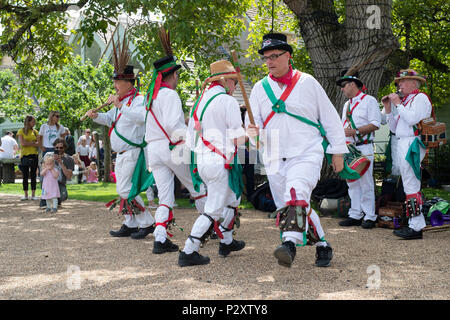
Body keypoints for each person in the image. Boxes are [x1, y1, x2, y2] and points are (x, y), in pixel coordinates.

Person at [246, 33, 348, 268]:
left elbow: (330, 118)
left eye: (274, 56)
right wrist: (252, 133)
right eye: (266, 57)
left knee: (296, 194)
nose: (269, 61)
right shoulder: (259, 89)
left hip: (306, 152)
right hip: (273, 157)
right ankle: (323, 245)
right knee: (292, 205)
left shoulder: (308, 82)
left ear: (288, 55)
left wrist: (338, 151)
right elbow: (255, 128)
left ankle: (289, 245)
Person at [178, 59, 247, 267]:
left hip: (203, 161)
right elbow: (237, 138)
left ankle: (226, 241)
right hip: (219, 163)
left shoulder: (199, 102)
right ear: (224, 80)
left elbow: (190, 140)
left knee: (233, 198)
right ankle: (189, 250)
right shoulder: (228, 102)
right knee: (214, 209)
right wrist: (252, 133)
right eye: (233, 82)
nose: (235, 87)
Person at [144, 51, 208, 255]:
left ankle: (160, 238)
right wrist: (189, 134)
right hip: (172, 147)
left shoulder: (151, 98)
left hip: (153, 150)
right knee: (197, 187)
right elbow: (172, 125)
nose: (178, 80)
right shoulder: (170, 95)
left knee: (164, 197)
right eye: (177, 76)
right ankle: (215, 229)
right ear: (171, 75)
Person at [84, 59, 156, 239]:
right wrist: (96, 116)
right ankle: (130, 222)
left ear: (128, 83)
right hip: (122, 153)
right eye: (114, 82)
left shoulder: (138, 100)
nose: (115, 85)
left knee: (126, 190)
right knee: (122, 189)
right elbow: (109, 119)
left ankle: (147, 222)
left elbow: (141, 118)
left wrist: (119, 105)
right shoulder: (121, 102)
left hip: (133, 151)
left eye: (117, 82)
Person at [382, 69, 431, 240]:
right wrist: (388, 109)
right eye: (399, 82)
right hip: (403, 142)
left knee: (411, 184)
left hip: (413, 143)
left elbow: (412, 120)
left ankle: (416, 226)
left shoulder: (420, 98)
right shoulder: (408, 100)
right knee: (409, 184)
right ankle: (414, 223)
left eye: (402, 82)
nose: (399, 85)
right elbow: (395, 128)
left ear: (412, 82)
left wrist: (397, 104)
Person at [337, 71, 381, 229]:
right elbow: (343, 126)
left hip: (364, 146)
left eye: (343, 85)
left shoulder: (370, 101)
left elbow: (376, 123)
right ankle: (355, 214)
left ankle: (370, 216)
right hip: (349, 148)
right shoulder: (346, 105)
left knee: (366, 182)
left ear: (352, 84)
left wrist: (354, 132)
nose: (342, 89)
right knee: (352, 182)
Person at [17, 116, 40, 201]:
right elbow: (22, 143)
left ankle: (33, 195)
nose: (34, 123)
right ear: (28, 122)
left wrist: (29, 143)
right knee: (25, 176)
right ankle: (26, 195)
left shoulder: (35, 131)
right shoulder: (21, 131)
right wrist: (33, 142)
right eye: (33, 122)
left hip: (34, 155)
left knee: (33, 175)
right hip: (24, 156)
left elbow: (38, 143)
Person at [52, 138, 74, 205]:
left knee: (64, 196)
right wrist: (52, 161)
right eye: (57, 147)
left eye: (61, 147)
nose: (58, 149)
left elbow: (69, 176)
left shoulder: (69, 159)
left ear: (64, 148)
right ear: (54, 147)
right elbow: (42, 172)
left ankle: (55, 199)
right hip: (50, 182)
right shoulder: (48, 156)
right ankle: (49, 199)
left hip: (60, 183)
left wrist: (61, 163)